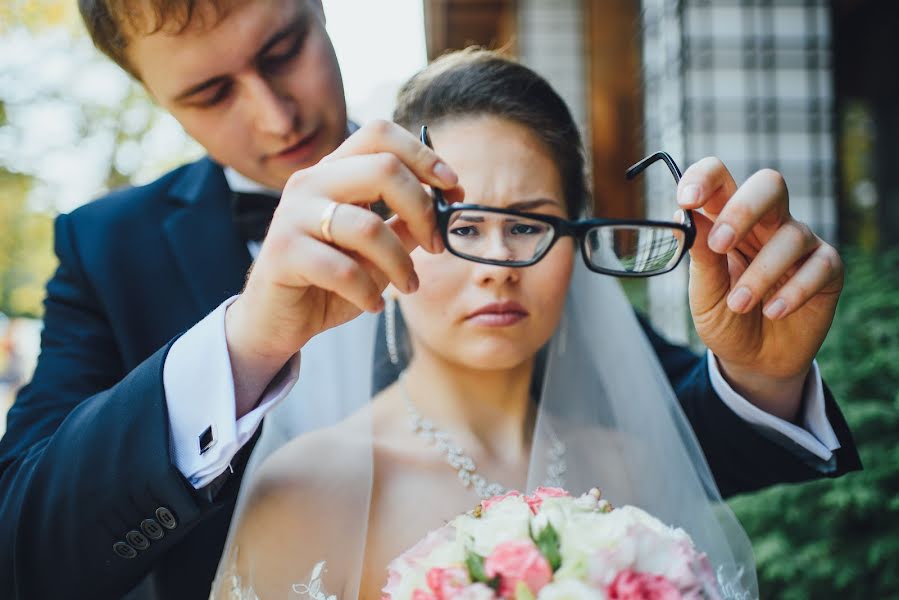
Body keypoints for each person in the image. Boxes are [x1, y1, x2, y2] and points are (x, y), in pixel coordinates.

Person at [0, 2, 858, 599]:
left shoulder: (480, 164)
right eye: (209, 93)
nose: (272, 117)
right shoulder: (104, 249)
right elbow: (21, 553)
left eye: (280, 50)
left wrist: (759, 375)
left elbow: (655, 418)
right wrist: (246, 343)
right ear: (149, 93)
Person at [212, 49, 859, 600]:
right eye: (460, 226)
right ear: (386, 232)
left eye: (528, 225)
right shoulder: (305, 491)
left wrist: (763, 365)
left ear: (576, 242)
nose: (497, 264)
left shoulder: (636, 467)